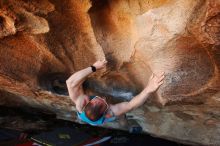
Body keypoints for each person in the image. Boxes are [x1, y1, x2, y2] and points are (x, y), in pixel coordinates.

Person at [66, 60, 165, 126]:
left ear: (87, 102)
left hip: (86, 115)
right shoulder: (110, 113)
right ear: (107, 111)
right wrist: (149, 89)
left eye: (98, 98)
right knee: (121, 113)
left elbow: (69, 82)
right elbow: (131, 105)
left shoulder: (81, 102)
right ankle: (123, 120)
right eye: (105, 103)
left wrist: (94, 67)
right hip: (102, 118)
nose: (104, 98)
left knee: (77, 84)